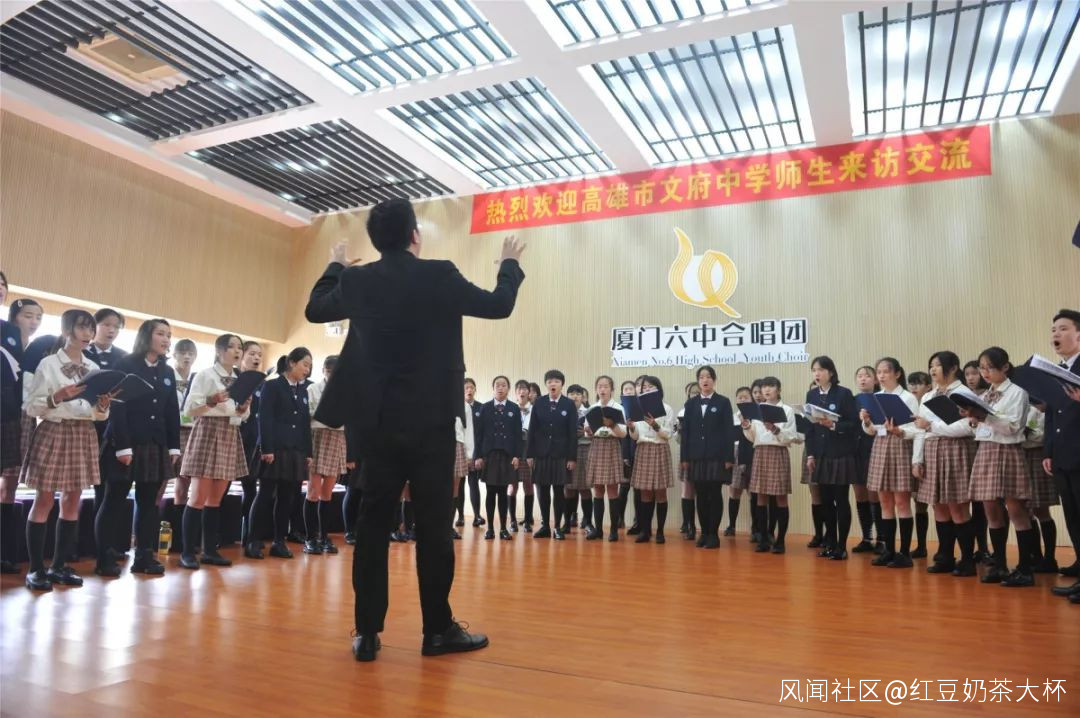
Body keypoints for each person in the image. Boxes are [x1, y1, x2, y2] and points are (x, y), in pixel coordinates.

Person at [304, 198, 525, 661]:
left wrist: (336, 265)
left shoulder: (358, 281)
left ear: (376, 240)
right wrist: (508, 265)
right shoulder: (439, 275)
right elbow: (499, 305)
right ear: (414, 236)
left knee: (371, 527)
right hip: (431, 425)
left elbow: (315, 310)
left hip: (376, 426)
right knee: (434, 528)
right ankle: (437, 630)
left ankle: (367, 633)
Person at [21, 310, 112, 591]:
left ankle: (59, 565)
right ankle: (36, 569)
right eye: (82, 328)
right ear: (66, 331)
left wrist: (103, 406)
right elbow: (31, 407)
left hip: (83, 433)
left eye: (90, 329)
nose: (88, 334)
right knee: (44, 499)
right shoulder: (49, 364)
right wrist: (56, 397)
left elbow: (98, 415)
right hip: (54, 431)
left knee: (73, 500)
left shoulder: (94, 368)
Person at [94, 318, 180, 577]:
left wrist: (174, 446)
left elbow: (171, 410)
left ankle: (144, 555)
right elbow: (117, 406)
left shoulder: (167, 371)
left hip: (155, 443)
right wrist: (123, 446)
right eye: (161, 334)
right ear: (146, 336)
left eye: (168, 335)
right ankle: (104, 557)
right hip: (125, 443)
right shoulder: (126, 364)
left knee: (149, 503)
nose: (166, 339)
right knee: (113, 500)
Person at [178, 334, 251, 570]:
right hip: (208, 431)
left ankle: (209, 550)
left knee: (216, 499)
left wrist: (243, 408)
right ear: (219, 351)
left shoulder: (240, 379)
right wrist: (211, 400)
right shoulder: (206, 375)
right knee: (197, 496)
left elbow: (242, 415)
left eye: (239, 347)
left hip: (230, 433)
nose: (237, 351)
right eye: (231, 347)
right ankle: (187, 552)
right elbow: (189, 409)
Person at [250, 349, 314, 559]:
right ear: (292, 363)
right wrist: (267, 448)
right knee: (265, 494)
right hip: (274, 449)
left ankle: (279, 541)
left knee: (288, 497)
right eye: (304, 364)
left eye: (309, 366)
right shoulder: (272, 386)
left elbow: (304, 424)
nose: (307, 370)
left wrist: (308, 452)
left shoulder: (303, 391)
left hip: (295, 451)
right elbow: (264, 418)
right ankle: (253, 540)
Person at [1, 296, 42, 573]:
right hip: (4, 413)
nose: (33, 321)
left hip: (26, 417)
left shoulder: (38, 350)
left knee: (11, 483)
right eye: (28, 315)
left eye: (38, 317)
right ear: (14, 316)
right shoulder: (5, 341)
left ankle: (5, 552)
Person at [805, 357, 859, 560]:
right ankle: (830, 543)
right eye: (814, 370)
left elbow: (853, 424)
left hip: (840, 453)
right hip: (821, 455)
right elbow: (810, 428)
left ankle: (842, 546)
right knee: (825, 501)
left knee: (841, 500)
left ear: (831, 372)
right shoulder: (811, 394)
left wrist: (834, 425)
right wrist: (811, 454)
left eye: (820, 370)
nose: (816, 374)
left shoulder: (843, 393)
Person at [1044, 309, 1080, 603]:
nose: (1056, 333)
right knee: (1072, 515)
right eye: (1053, 329)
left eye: (1063, 328)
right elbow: (1052, 415)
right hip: (1062, 455)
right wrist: (1048, 450)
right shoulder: (1057, 371)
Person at [680, 366, 735, 550]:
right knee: (701, 495)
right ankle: (703, 532)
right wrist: (684, 458)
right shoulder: (690, 404)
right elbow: (685, 432)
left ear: (714, 380)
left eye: (709, 377)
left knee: (714, 494)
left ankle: (713, 534)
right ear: (698, 381)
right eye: (702, 377)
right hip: (696, 457)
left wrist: (729, 457)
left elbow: (729, 431)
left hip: (716, 457)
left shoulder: (723, 402)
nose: (705, 380)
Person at [527, 370, 578, 540]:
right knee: (542, 491)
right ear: (546, 385)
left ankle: (557, 527)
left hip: (561, 454)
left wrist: (572, 457)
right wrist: (530, 454)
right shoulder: (539, 403)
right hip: (541, 454)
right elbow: (532, 430)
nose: (553, 384)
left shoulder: (568, 404)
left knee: (559, 491)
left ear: (562, 384)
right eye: (549, 381)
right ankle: (545, 526)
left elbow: (572, 433)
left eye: (556, 381)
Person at [626, 376, 674, 543]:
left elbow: (668, 434)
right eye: (644, 387)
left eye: (651, 386)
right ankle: (645, 531)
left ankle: (660, 531)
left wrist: (655, 425)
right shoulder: (637, 408)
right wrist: (632, 427)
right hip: (643, 449)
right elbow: (635, 436)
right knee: (645, 492)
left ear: (658, 389)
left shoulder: (666, 408)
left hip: (659, 448)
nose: (647, 389)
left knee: (660, 492)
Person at [307, 355, 346, 555]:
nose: (332, 376)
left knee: (328, 493)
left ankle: (324, 536)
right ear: (323, 370)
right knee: (313, 491)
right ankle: (310, 538)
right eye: (329, 371)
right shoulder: (313, 389)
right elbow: (310, 414)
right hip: (318, 437)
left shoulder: (346, 392)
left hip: (337, 437)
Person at [475, 376, 521, 540]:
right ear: (493, 388)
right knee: (490, 492)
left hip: (507, 456)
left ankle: (503, 528)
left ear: (508, 388)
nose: (500, 388)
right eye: (497, 385)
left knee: (503, 493)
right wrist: (478, 456)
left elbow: (517, 435)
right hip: (490, 456)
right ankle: (490, 529)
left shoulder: (514, 408)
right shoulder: (485, 408)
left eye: (503, 385)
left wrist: (517, 456)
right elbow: (478, 434)